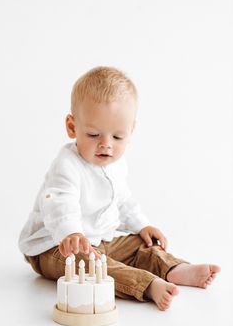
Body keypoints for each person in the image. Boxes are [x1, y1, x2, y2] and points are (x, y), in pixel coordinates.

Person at [19, 66, 221, 311]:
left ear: (131, 131)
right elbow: (59, 201)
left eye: (117, 137)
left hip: (103, 238)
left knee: (141, 244)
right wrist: (70, 233)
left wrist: (142, 225)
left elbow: (123, 200)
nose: (106, 145)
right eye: (93, 134)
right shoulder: (67, 164)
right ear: (72, 127)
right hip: (55, 246)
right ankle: (147, 285)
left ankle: (175, 268)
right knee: (91, 264)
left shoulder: (116, 164)